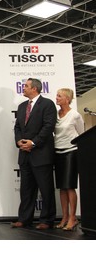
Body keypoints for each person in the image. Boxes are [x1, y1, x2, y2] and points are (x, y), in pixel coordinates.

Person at [12, 78, 57, 230]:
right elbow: (17, 127)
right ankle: (24, 219)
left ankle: (47, 219)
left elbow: (48, 126)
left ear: (35, 89)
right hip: (24, 155)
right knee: (26, 190)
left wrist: (33, 143)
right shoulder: (22, 106)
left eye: (26, 86)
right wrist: (19, 142)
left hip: (41, 154)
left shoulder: (47, 104)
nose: (23, 88)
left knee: (46, 189)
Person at [54, 88, 84, 231]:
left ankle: (73, 217)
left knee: (70, 186)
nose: (57, 98)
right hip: (57, 152)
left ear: (67, 99)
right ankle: (64, 216)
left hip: (71, 152)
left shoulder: (75, 115)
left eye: (59, 96)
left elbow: (81, 134)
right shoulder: (56, 114)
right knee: (61, 187)